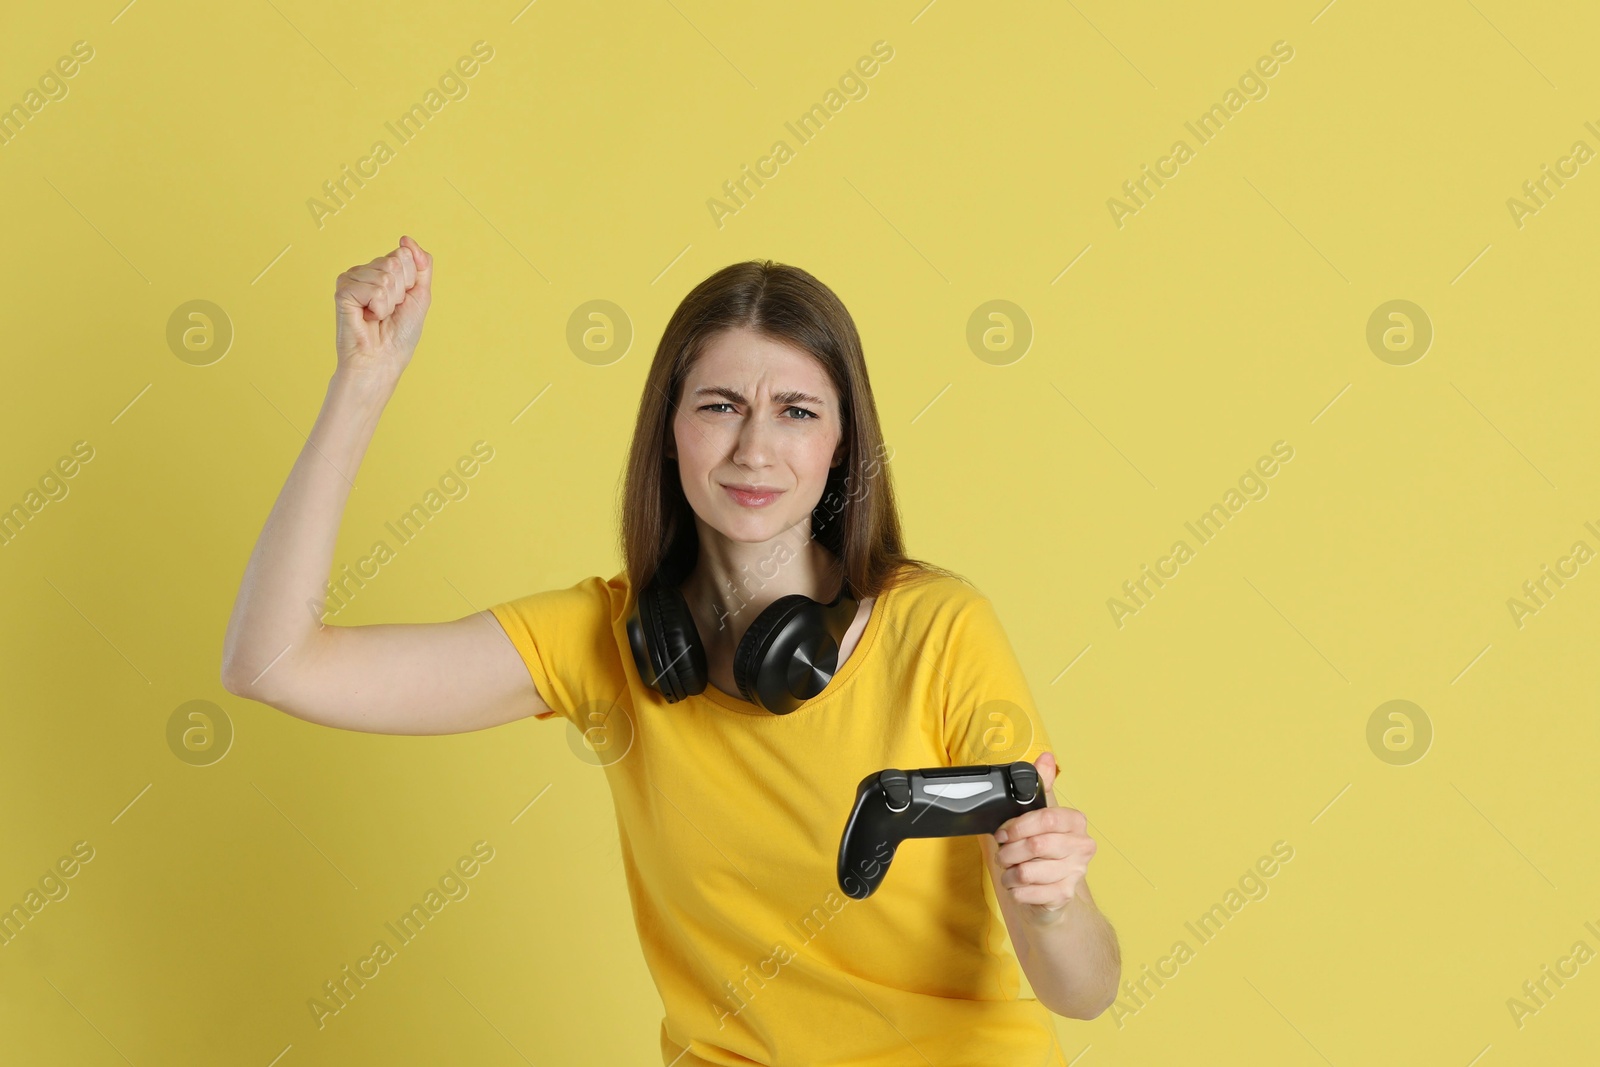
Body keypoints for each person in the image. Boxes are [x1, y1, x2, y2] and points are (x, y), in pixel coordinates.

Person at [221, 236, 1121, 1065]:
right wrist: (364, 380)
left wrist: (1054, 904)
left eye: (797, 411)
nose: (754, 448)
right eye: (720, 405)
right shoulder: (602, 642)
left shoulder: (940, 629)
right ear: (671, 429)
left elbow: (1084, 990)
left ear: (842, 443)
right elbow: (272, 663)